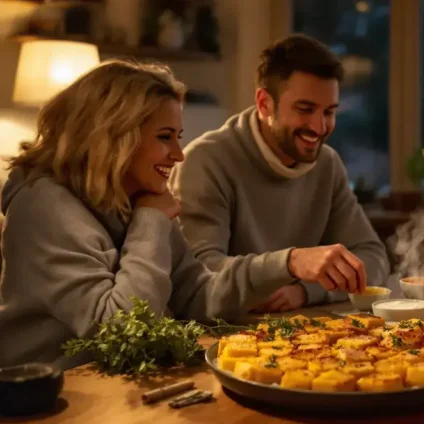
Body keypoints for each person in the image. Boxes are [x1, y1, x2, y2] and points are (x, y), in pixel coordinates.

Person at [0, 60, 356, 369]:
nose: (178, 154)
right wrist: (151, 222)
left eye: (178, 137)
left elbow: (198, 295)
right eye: (165, 137)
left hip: (116, 386)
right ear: (115, 138)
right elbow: (121, 329)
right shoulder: (44, 208)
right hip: (51, 403)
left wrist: (287, 264)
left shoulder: (135, 197)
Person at [169, 34, 388, 312]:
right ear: (264, 104)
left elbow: (373, 257)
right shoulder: (204, 161)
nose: (319, 128)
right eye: (305, 109)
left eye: (329, 112)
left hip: (304, 335)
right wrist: (289, 263)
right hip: (227, 338)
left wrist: (305, 290)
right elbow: (199, 276)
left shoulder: (327, 165)